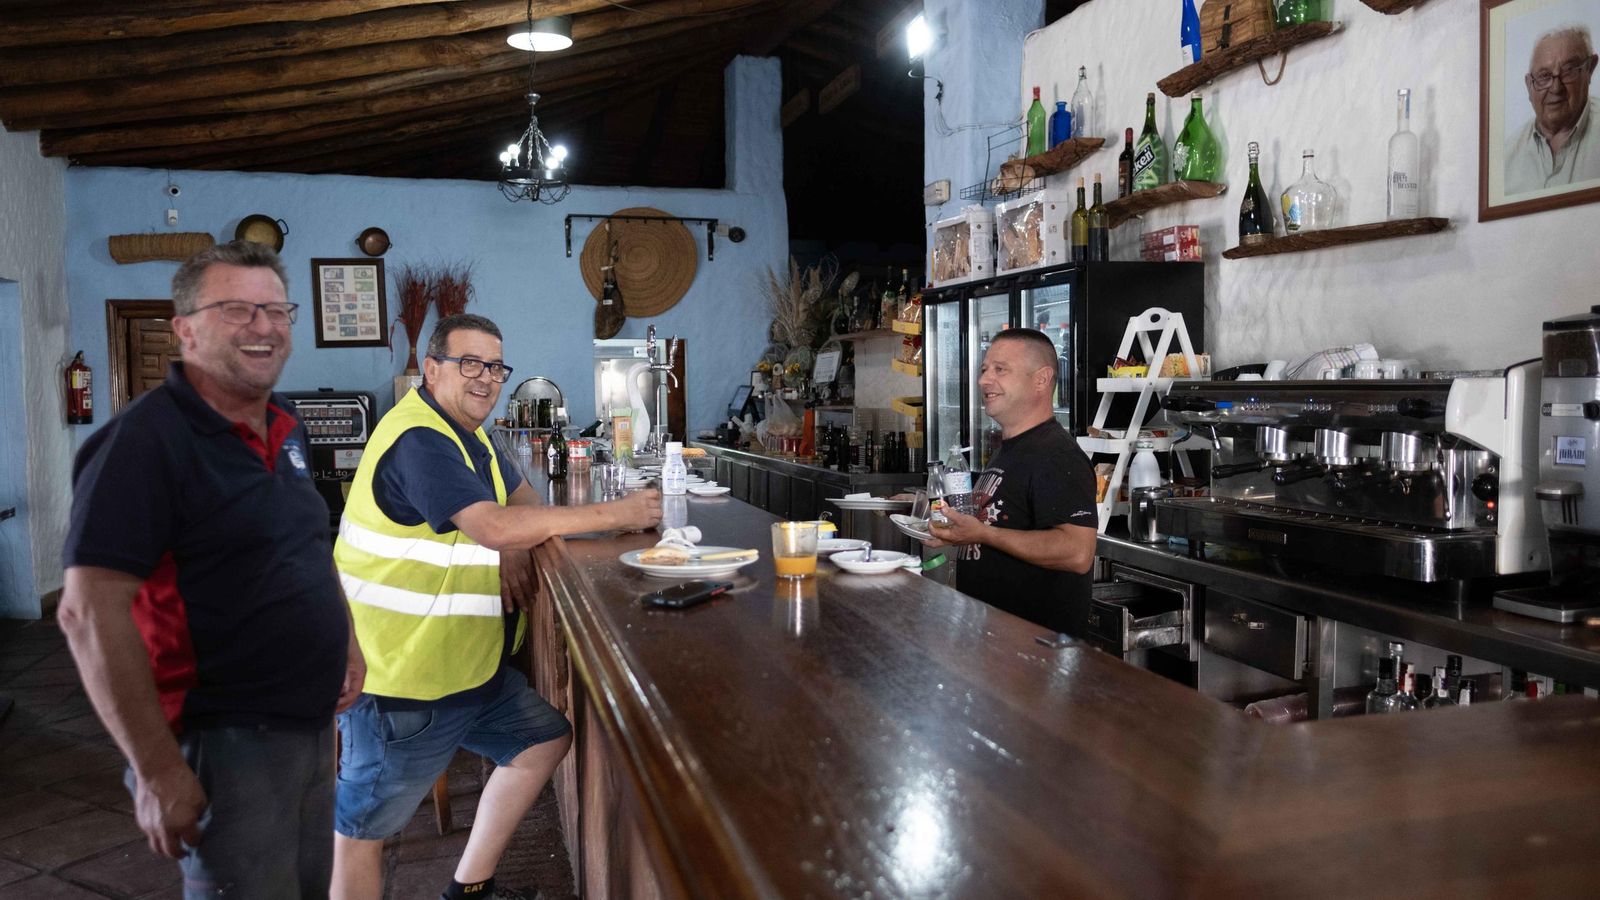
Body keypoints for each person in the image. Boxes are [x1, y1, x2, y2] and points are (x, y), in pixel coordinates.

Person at [58, 240, 363, 898]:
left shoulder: (286, 425)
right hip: (226, 739)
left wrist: (347, 640)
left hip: (309, 727)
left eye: (277, 310)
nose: (264, 326)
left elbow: (308, 545)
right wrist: (157, 770)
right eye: (237, 310)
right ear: (185, 329)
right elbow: (87, 611)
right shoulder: (143, 442)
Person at [332, 313, 661, 900]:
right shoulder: (419, 438)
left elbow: (521, 502)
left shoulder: (473, 435)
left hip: (466, 670)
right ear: (431, 370)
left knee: (543, 738)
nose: (485, 378)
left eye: (495, 366)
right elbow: (490, 522)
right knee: (360, 836)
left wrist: (516, 540)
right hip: (399, 682)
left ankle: (468, 889)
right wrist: (618, 513)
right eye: (469, 363)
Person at [922, 328, 1098, 635]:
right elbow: (1001, 516)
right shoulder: (1012, 448)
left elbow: (1077, 552)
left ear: (1042, 380)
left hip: (1037, 659)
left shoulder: (1057, 456)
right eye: (984, 370)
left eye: (1000, 370)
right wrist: (943, 518)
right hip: (994, 645)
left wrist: (985, 535)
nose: (983, 380)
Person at [1505, 25, 1600, 195]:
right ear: (1529, 85)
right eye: (1544, 76)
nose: (1556, 88)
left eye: (1568, 71)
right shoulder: (1507, 157)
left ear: (1590, 69)